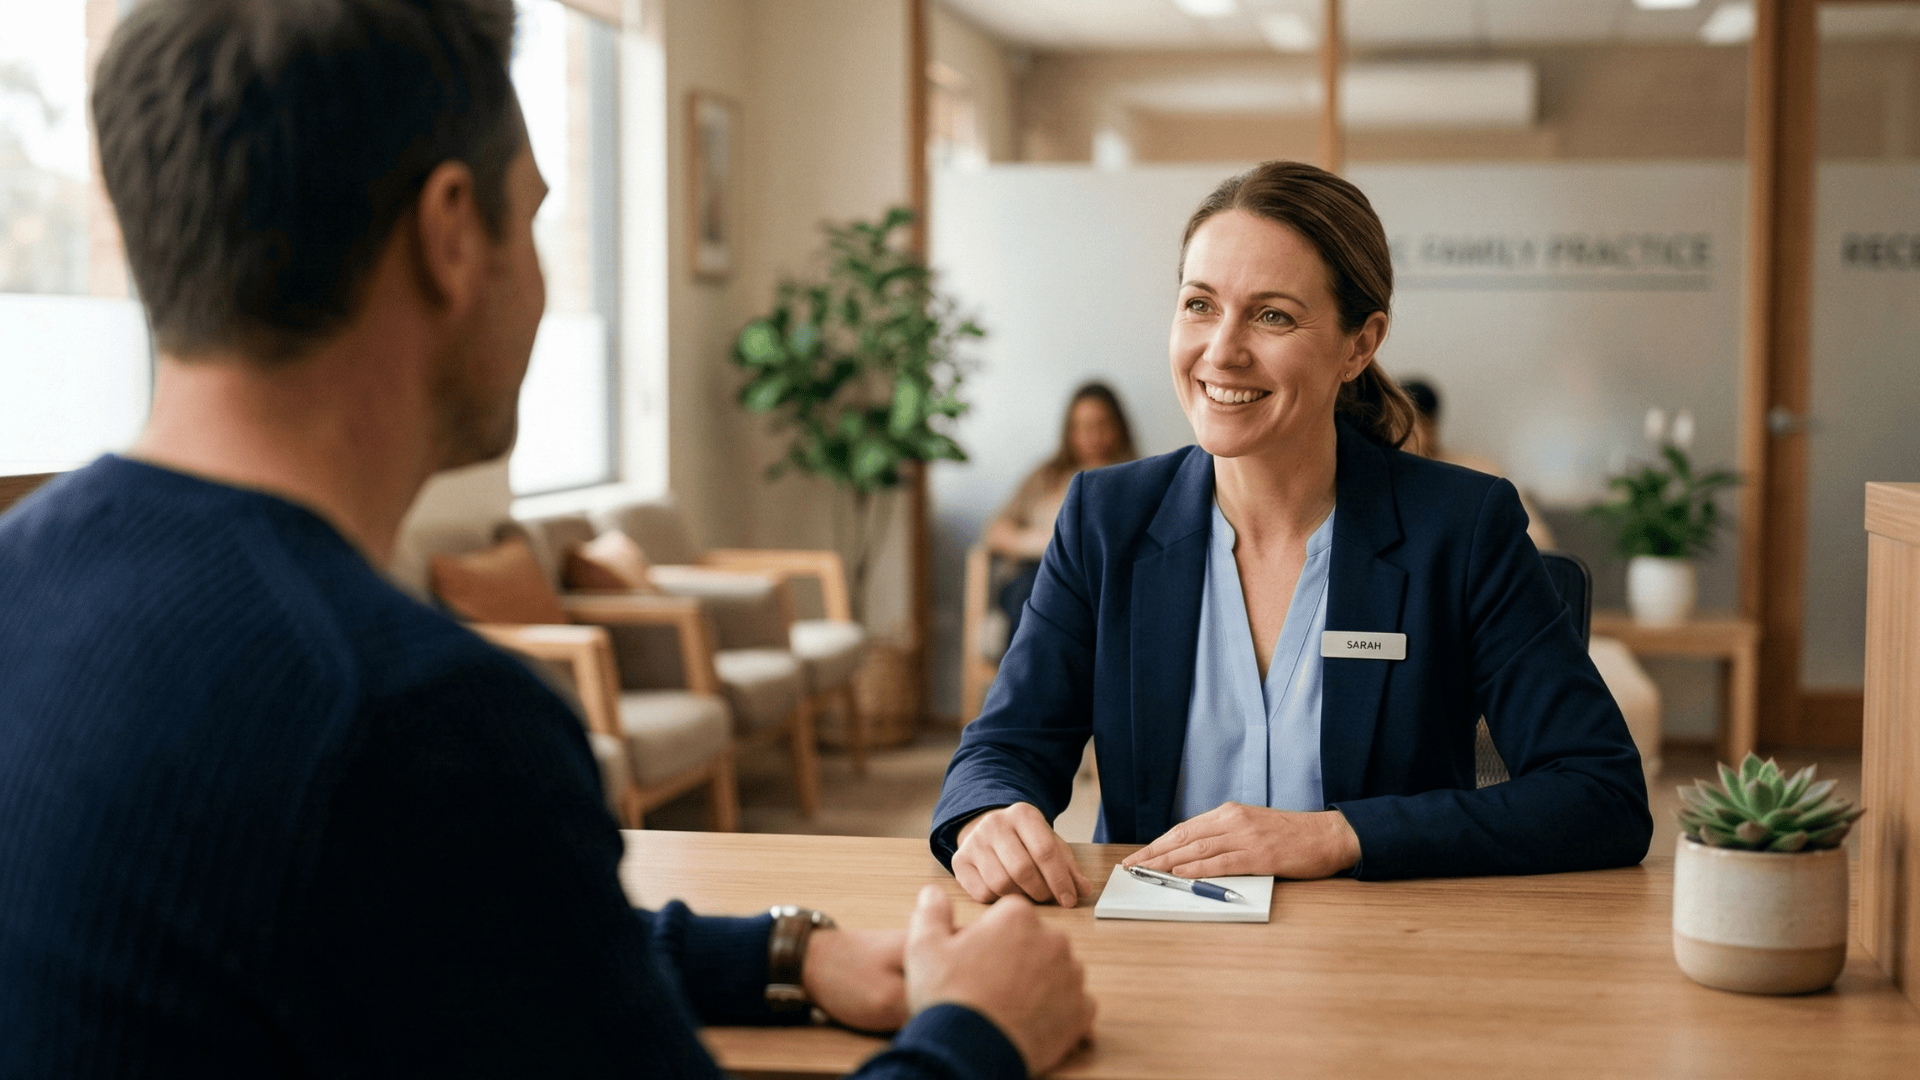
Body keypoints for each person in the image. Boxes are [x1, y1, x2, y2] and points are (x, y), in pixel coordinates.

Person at [0, 2, 1093, 1077]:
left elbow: (460, 947)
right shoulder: (413, 720)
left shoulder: (24, 578)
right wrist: (977, 1035)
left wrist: (785, 951)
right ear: (449, 234)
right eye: (531, 219)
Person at [931, 161, 1651, 908]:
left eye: (1272, 315)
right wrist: (986, 816)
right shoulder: (1107, 520)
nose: (1222, 351)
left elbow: (1601, 795)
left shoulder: (1461, 529)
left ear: (1358, 345)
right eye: (1200, 305)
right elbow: (1001, 749)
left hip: (1382, 959)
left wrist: (1339, 834)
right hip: (1159, 955)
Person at [983, 381, 1136, 643]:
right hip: (1039, 574)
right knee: (1034, 594)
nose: (1093, 436)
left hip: (1102, 583)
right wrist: (1045, 543)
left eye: (1102, 425)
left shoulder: (1137, 478)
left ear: (1119, 428)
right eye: (1084, 427)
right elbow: (996, 531)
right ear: (1069, 431)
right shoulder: (1047, 476)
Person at [1399, 376, 1557, 551]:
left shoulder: (1480, 470)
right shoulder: (1391, 477)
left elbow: (1537, 539)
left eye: (1415, 423)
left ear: (1431, 423)